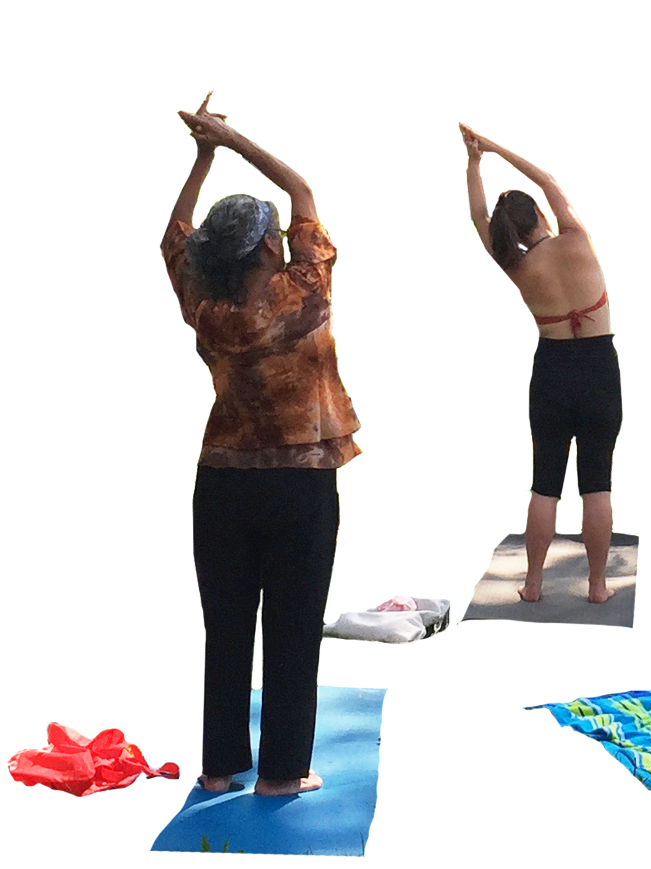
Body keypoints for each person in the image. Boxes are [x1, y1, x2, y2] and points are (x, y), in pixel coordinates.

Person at [166, 93, 361, 796]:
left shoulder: (204, 302)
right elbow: (303, 190)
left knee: (225, 630)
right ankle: (282, 774)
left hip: (220, 481)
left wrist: (202, 160)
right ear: (271, 247)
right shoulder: (302, 291)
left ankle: (219, 768)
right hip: (298, 482)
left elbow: (174, 238)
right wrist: (229, 139)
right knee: (293, 629)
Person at [461, 124, 623, 604]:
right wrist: (492, 148)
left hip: (551, 368)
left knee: (545, 484)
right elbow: (548, 179)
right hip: (598, 365)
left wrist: (472, 163)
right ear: (538, 214)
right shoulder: (575, 238)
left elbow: (478, 216)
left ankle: (533, 584)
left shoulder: (515, 263)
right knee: (597, 483)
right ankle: (597, 586)